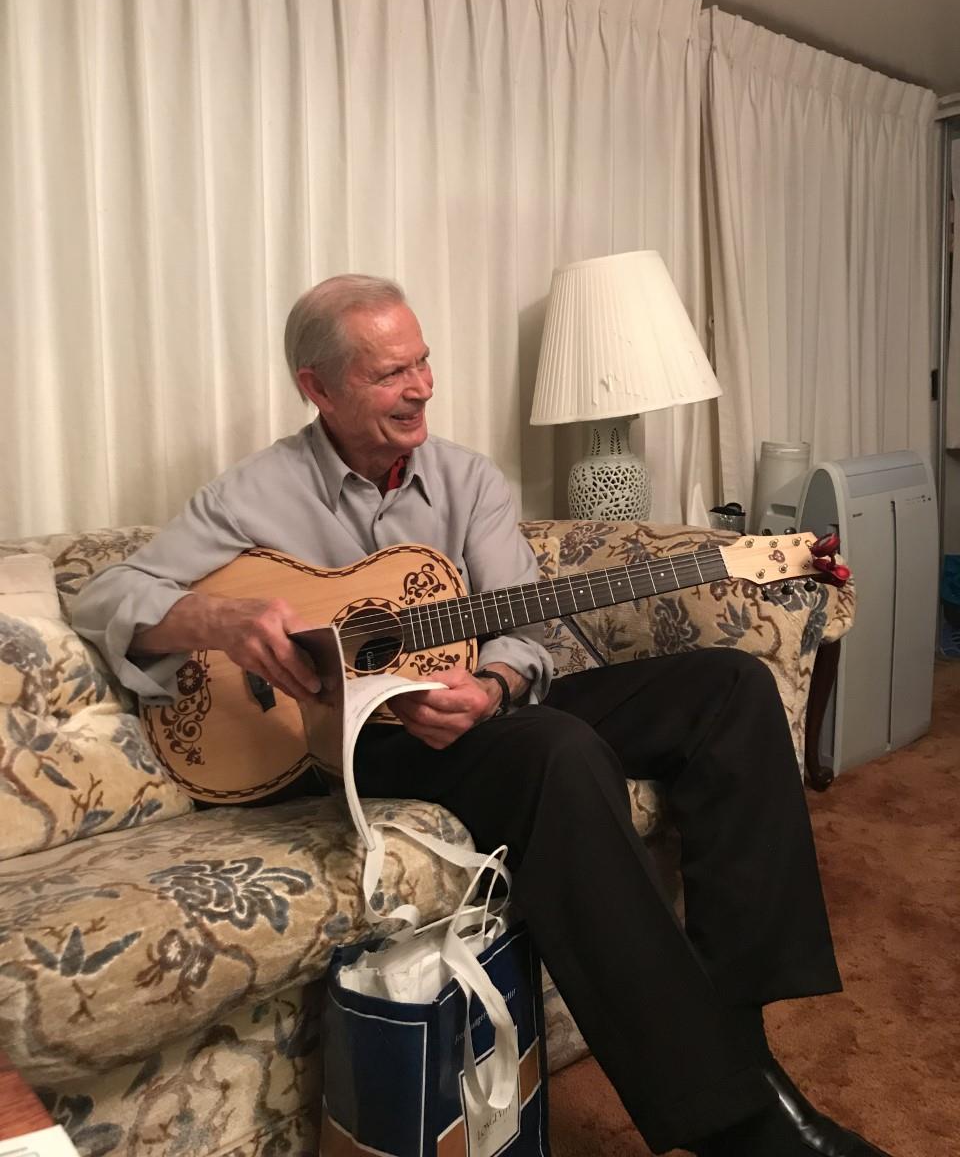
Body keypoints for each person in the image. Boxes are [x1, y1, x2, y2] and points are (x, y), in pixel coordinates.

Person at [74, 274, 892, 1157]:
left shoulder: (467, 479)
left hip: (480, 712)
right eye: (391, 373)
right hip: (356, 748)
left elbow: (526, 631)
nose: (422, 385)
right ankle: (732, 1121)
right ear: (319, 387)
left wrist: (495, 686)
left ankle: (739, 1037)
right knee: (557, 751)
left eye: (423, 361)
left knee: (730, 687)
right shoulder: (253, 496)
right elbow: (108, 594)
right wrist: (218, 619)